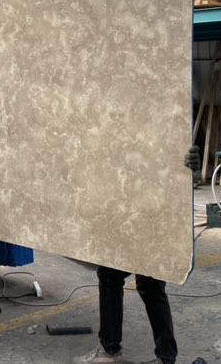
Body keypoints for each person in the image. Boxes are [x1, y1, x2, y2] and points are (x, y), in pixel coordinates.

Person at [73, 146, 201, 364]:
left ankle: (110, 351)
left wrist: (191, 171)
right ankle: (165, 357)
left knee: (113, 276)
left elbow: (180, 167)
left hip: (146, 211)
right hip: (143, 210)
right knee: (150, 286)